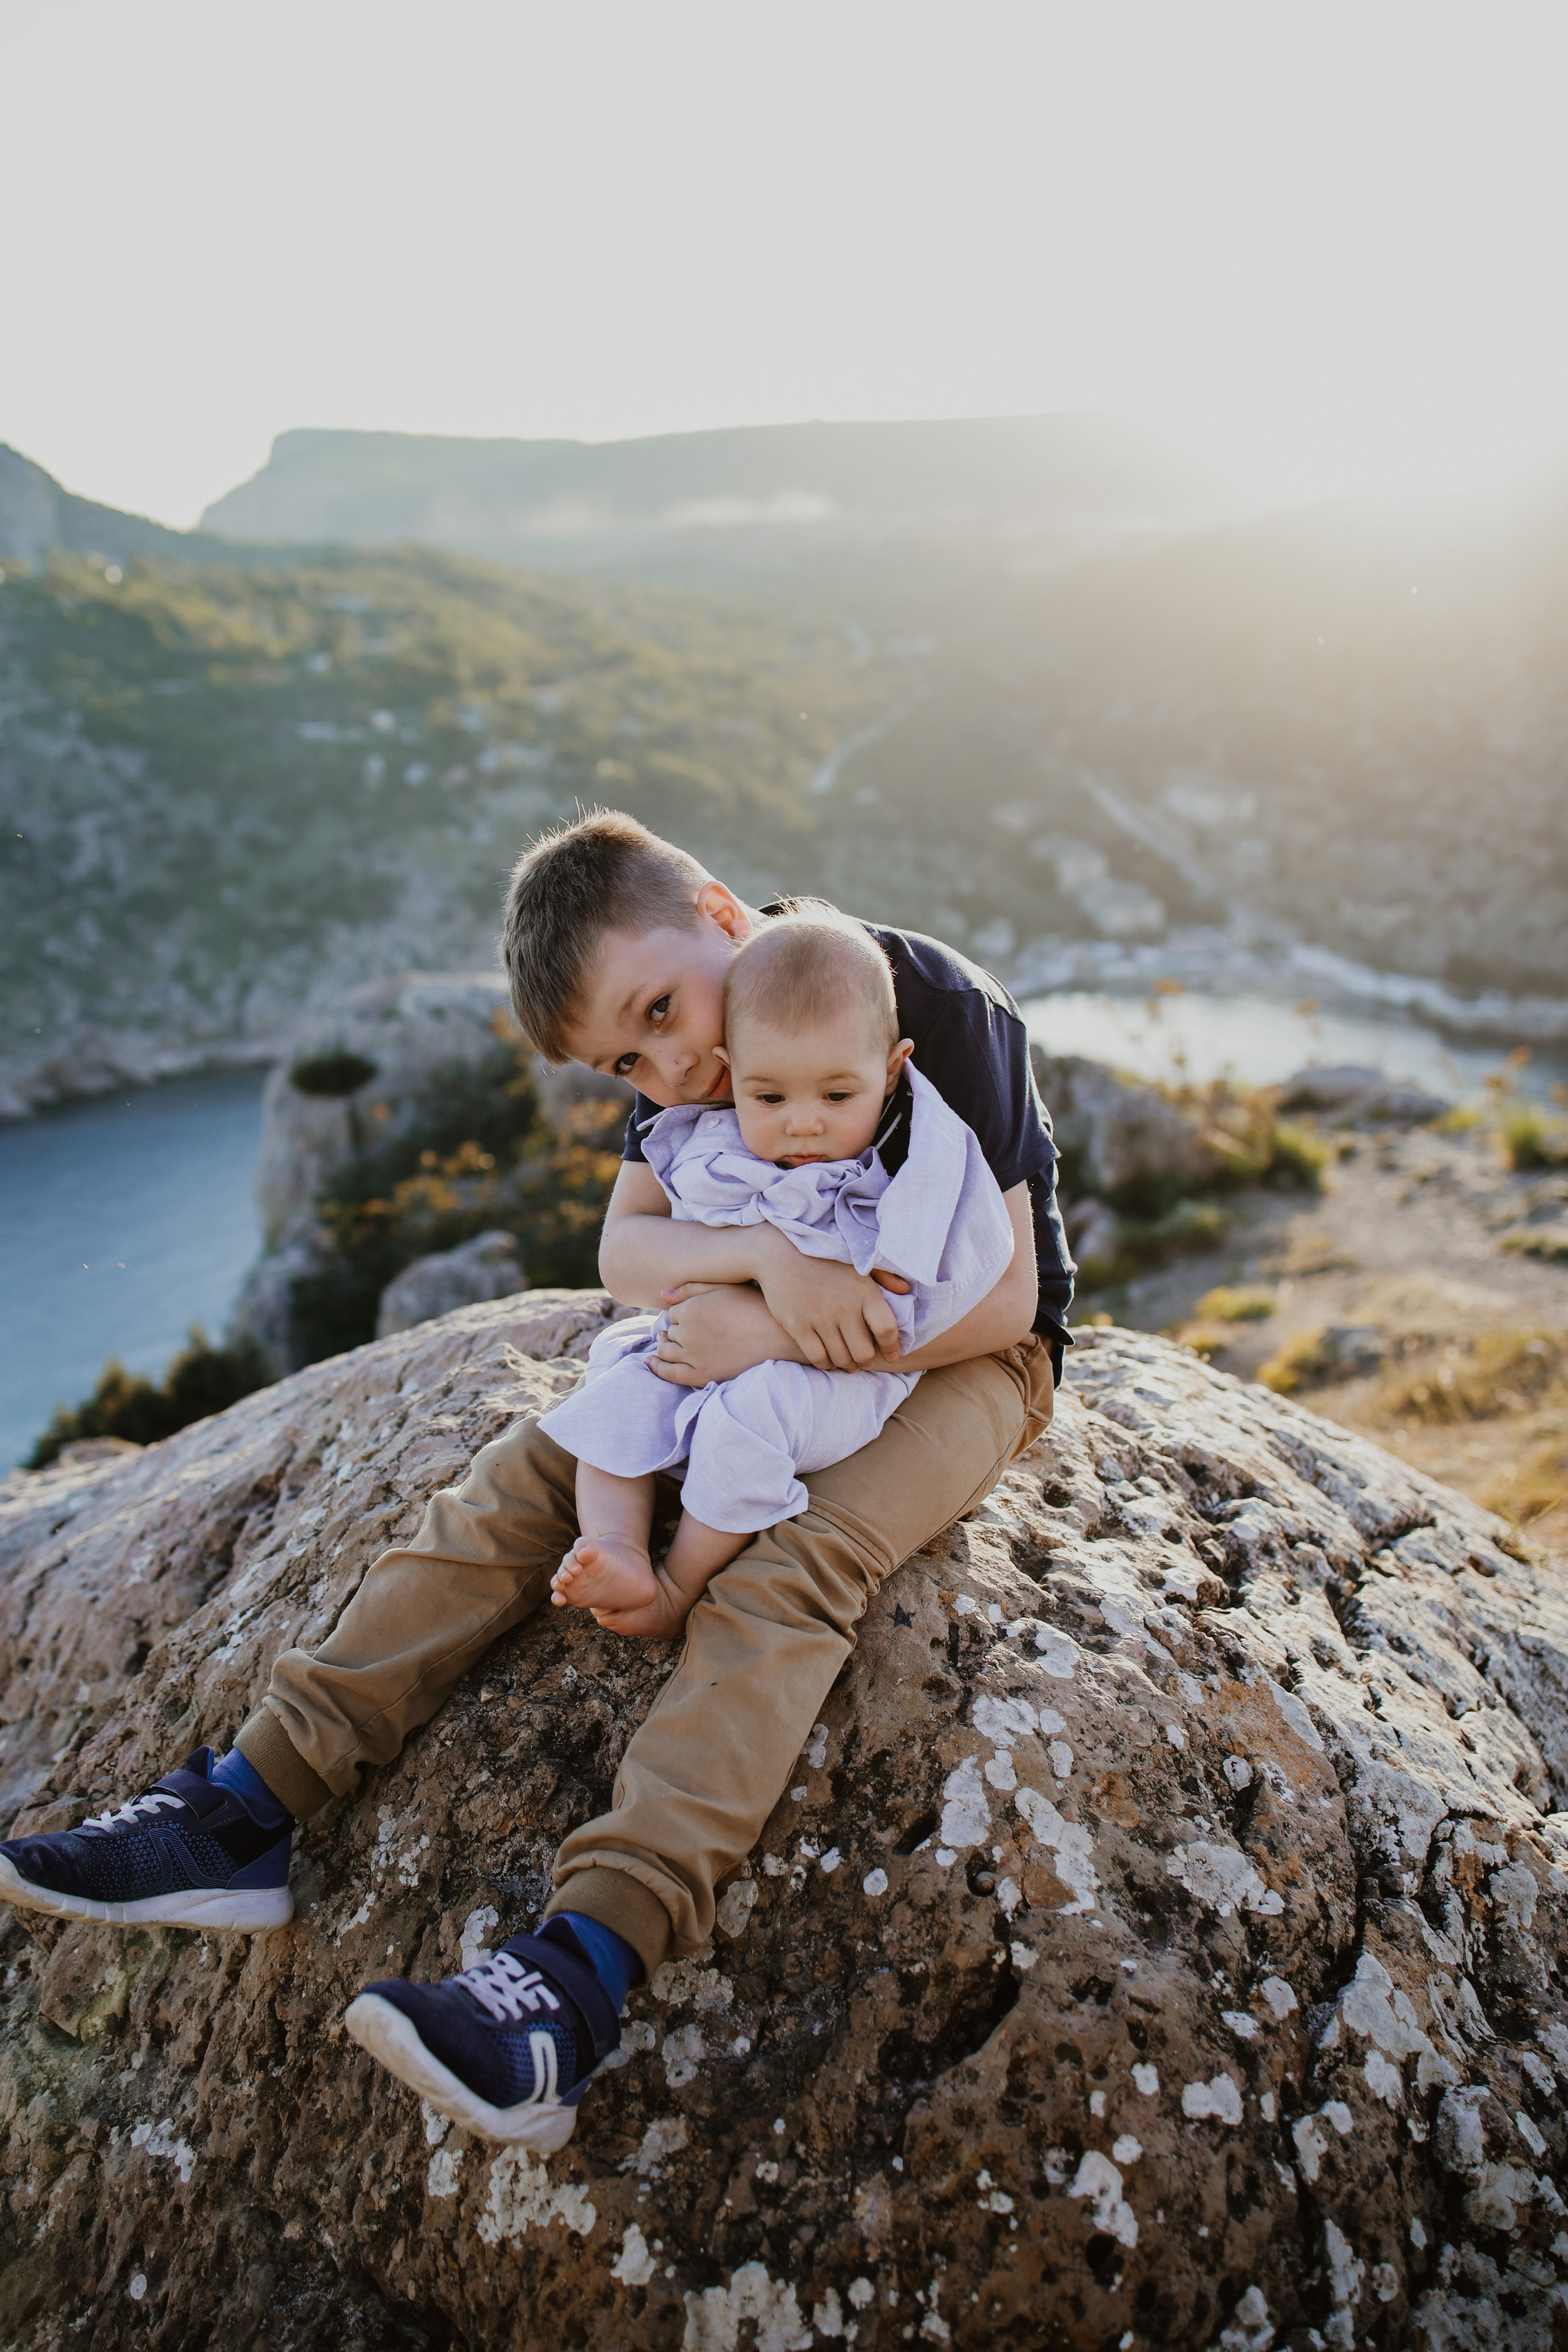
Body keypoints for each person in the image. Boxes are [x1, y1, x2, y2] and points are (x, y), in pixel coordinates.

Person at [0, 811, 1073, 2154]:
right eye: (626, 1056)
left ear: (724, 915)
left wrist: (766, 1321)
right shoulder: (691, 1073)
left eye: (664, 1011)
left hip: (963, 1359)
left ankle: (578, 1979)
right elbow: (627, 1255)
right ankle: (246, 1809)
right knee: (535, 1474)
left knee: (799, 1563)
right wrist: (767, 1270)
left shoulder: (922, 1000)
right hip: (774, 1318)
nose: (671, 1063)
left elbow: (1011, 1298)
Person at [541, 908, 1016, 1638]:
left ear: (892, 1073)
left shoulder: (918, 1160)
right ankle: (616, 1545)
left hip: (841, 1372)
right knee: (617, 1376)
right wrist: (750, 1262)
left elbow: (947, 1298)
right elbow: (634, 1250)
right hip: (722, 1341)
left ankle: (677, 1584)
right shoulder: (708, 1106)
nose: (802, 1125)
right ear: (737, 1073)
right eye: (769, 1099)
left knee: (755, 1414)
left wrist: (766, 1331)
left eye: (835, 1097)